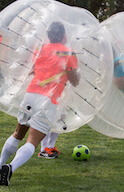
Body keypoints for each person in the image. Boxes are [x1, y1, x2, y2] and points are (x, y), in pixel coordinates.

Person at [0, 21, 80, 186]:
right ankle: (10, 168)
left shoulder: (40, 49)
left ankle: (0, 165)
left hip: (30, 94)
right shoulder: (68, 53)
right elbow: (74, 81)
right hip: (48, 100)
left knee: (17, 133)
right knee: (32, 142)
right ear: (64, 36)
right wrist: (75, 74)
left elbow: (32, 70)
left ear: (49, 35)